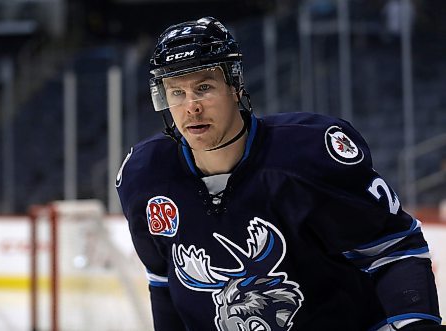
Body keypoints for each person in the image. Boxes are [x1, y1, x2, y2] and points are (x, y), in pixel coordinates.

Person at [116, 17, 443, 331]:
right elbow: (162, 280)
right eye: (177, 92)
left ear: (235, 85)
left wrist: (415, 323)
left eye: (204, 87)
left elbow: (393, 247)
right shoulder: (145, 176)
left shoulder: (308, 155)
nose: (191, 107)